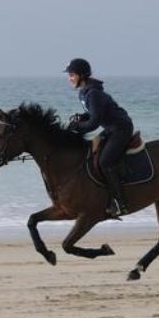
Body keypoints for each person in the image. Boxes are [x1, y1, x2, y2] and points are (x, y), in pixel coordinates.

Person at [64, 58, 134, 217]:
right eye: (69, 75)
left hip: (121, 129)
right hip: (111, 128)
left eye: (72, 75)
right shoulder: (85, 92)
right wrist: (82, 117)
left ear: (81, 75)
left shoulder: (93, 93)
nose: (69, 78)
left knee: (105, 162)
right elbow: (94, 114)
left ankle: (120, 202)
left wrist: (77, 126)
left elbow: (94, 123)